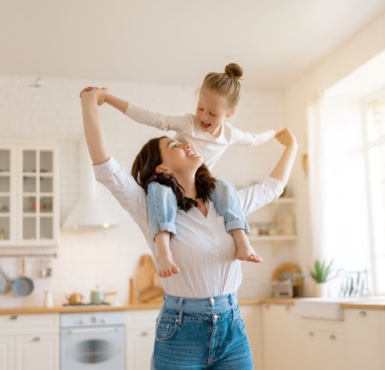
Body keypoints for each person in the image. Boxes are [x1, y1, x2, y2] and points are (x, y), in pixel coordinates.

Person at [80, 86, 298, 370]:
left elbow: (271, 189)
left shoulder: (225, 202)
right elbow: (106, 168)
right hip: (180, 332)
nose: (187, 144)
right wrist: (90, 103)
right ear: (163, 169)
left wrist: (291, 146)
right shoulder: (149, 207)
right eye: (174, 147)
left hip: (232, 328)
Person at [103, 63, 280, 277]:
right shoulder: (189, 124)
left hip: (199, 183)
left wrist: (276, 132)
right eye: (201, 108)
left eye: (213, 113)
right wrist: (108, 99)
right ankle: (164, 252)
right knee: (159, 192)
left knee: (224, 186)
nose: (204, 117)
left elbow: (254, 139)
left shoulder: (230, 134)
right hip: (173, 181)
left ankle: (242, 241)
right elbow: (152, 117)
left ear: (230, 113)